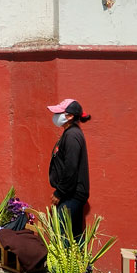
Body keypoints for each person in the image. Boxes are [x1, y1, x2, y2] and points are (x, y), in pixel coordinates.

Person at [46, 98, 91, 242]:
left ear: (70, 116)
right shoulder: (70, 133)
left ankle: (63, 258)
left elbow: (71, 168)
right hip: (70, 194)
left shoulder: (72, 136)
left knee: (62, 236)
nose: (55, 117)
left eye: (58, 113)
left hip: (72, 195)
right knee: (74, 236)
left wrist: (60, 192)